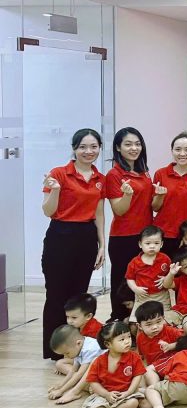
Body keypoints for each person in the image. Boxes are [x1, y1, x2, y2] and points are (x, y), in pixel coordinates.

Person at [41, 128, 106, 358]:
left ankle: (74, 348)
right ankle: (54, 351)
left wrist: (102, 245)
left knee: (78, 297)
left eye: (94, 147)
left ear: (99, 148)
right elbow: (48, 210)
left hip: (86, 237)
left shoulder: (100, 179)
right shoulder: (58, 174)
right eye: (83, 147)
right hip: (60, 235)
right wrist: (55, 191)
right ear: (74, 149)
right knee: (56, 294)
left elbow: (99, 214)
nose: (88, 151)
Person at [105, 127, 155, 321]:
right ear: (118, 147)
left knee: (142, 280)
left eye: (137, 144)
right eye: (128, 144)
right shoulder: (114, 174)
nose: (134, 148)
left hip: (145, 236)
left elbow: (150, 204)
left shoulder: (144, 172)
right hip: (123, 237)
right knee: (122, 282)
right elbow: (119, 210)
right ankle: (118, 320)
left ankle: (138, 322)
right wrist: (127, 195)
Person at [79, 321, 147, 408]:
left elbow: (137, 376)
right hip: (105, 394)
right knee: (98, 406)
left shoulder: (134, 357)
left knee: (133, 403)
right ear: (108, 344)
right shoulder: (99, 361)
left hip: (125, 393)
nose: (127, 341)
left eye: (129, 337)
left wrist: (129, 392)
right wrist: (106, 394)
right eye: (122, 339)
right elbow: (93, 382)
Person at [152, 132, 187, 254]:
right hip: (163, 234)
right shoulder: (161, 174)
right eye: (178, 149)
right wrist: (160, 196)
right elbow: (155, 207)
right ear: (172, 151)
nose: (182, 154)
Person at [139, 332, 187, 408]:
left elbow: (166, 375)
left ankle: (158, 406)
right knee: (148, 401)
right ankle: (155, 401)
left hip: (179, 385)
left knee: (151, 389)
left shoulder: (179, 354)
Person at [125, 226, 172, 321]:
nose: (152, 246)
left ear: (161, 244)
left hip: (161, 296)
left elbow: (171, 274)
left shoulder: (165, 259)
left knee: (165, 320)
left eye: (156, 243)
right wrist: (135, 288)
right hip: (142, 297)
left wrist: (166, 278)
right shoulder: (134, 262)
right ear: (140, 244)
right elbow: (129, 278)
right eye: (148, 243)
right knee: (136, 322)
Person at [47, 324, 102, 404]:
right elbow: (73, 370)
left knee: (84, 372)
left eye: (67, 353)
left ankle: (75, 392)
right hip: (93, 372)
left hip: (108, 374)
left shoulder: (89, 349)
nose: (66, 356)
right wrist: (60, 385)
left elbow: (80, 373)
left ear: (78, 343)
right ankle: (89, 386)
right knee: (60, 363)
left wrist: (61, 391)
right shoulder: (79, 346)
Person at [135, 300, 182, 366]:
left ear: (163, 319)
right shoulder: (140, 338)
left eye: (158, 322)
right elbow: (142, 356)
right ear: (140, 326)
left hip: (172, 364)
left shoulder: (171, 331)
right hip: (153, 367)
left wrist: (171, 346)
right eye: (149, 324)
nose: (155, 327)